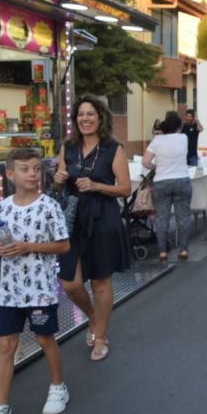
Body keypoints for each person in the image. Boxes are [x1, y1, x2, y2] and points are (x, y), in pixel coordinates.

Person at [0, 148, 70, 414]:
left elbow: (63, 245)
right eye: (25, 169)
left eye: (37, 169)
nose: (32, 175)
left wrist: (29, 246)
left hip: (40, 290)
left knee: (44, 339)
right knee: (5, 346)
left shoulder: (49, 206)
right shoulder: (0, 208)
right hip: (9, 291)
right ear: (10, 174)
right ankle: (1, 408)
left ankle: (57, 387)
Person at [53, 95, 131, 362]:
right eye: (80, 115)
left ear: (100, 118)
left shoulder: (113, 148)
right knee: (70, 284)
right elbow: (59, 186)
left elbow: (125, 188)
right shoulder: (69, 147)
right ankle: (95, 317)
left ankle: (101, 336)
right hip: (72, 220)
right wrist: (58, 179)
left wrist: (97, 186)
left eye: (90, 114)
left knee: (100, 282)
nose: (85, 119)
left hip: (103, 218)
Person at [142, 111, 191, 263]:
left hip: (162, 182)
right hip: (182, 180)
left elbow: (145, 162)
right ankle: (183, 250)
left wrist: (156, 167)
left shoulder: (157, 140)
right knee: (183, 217)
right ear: (178, 127)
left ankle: (162, 252)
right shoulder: (183, 138)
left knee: (162, 218)